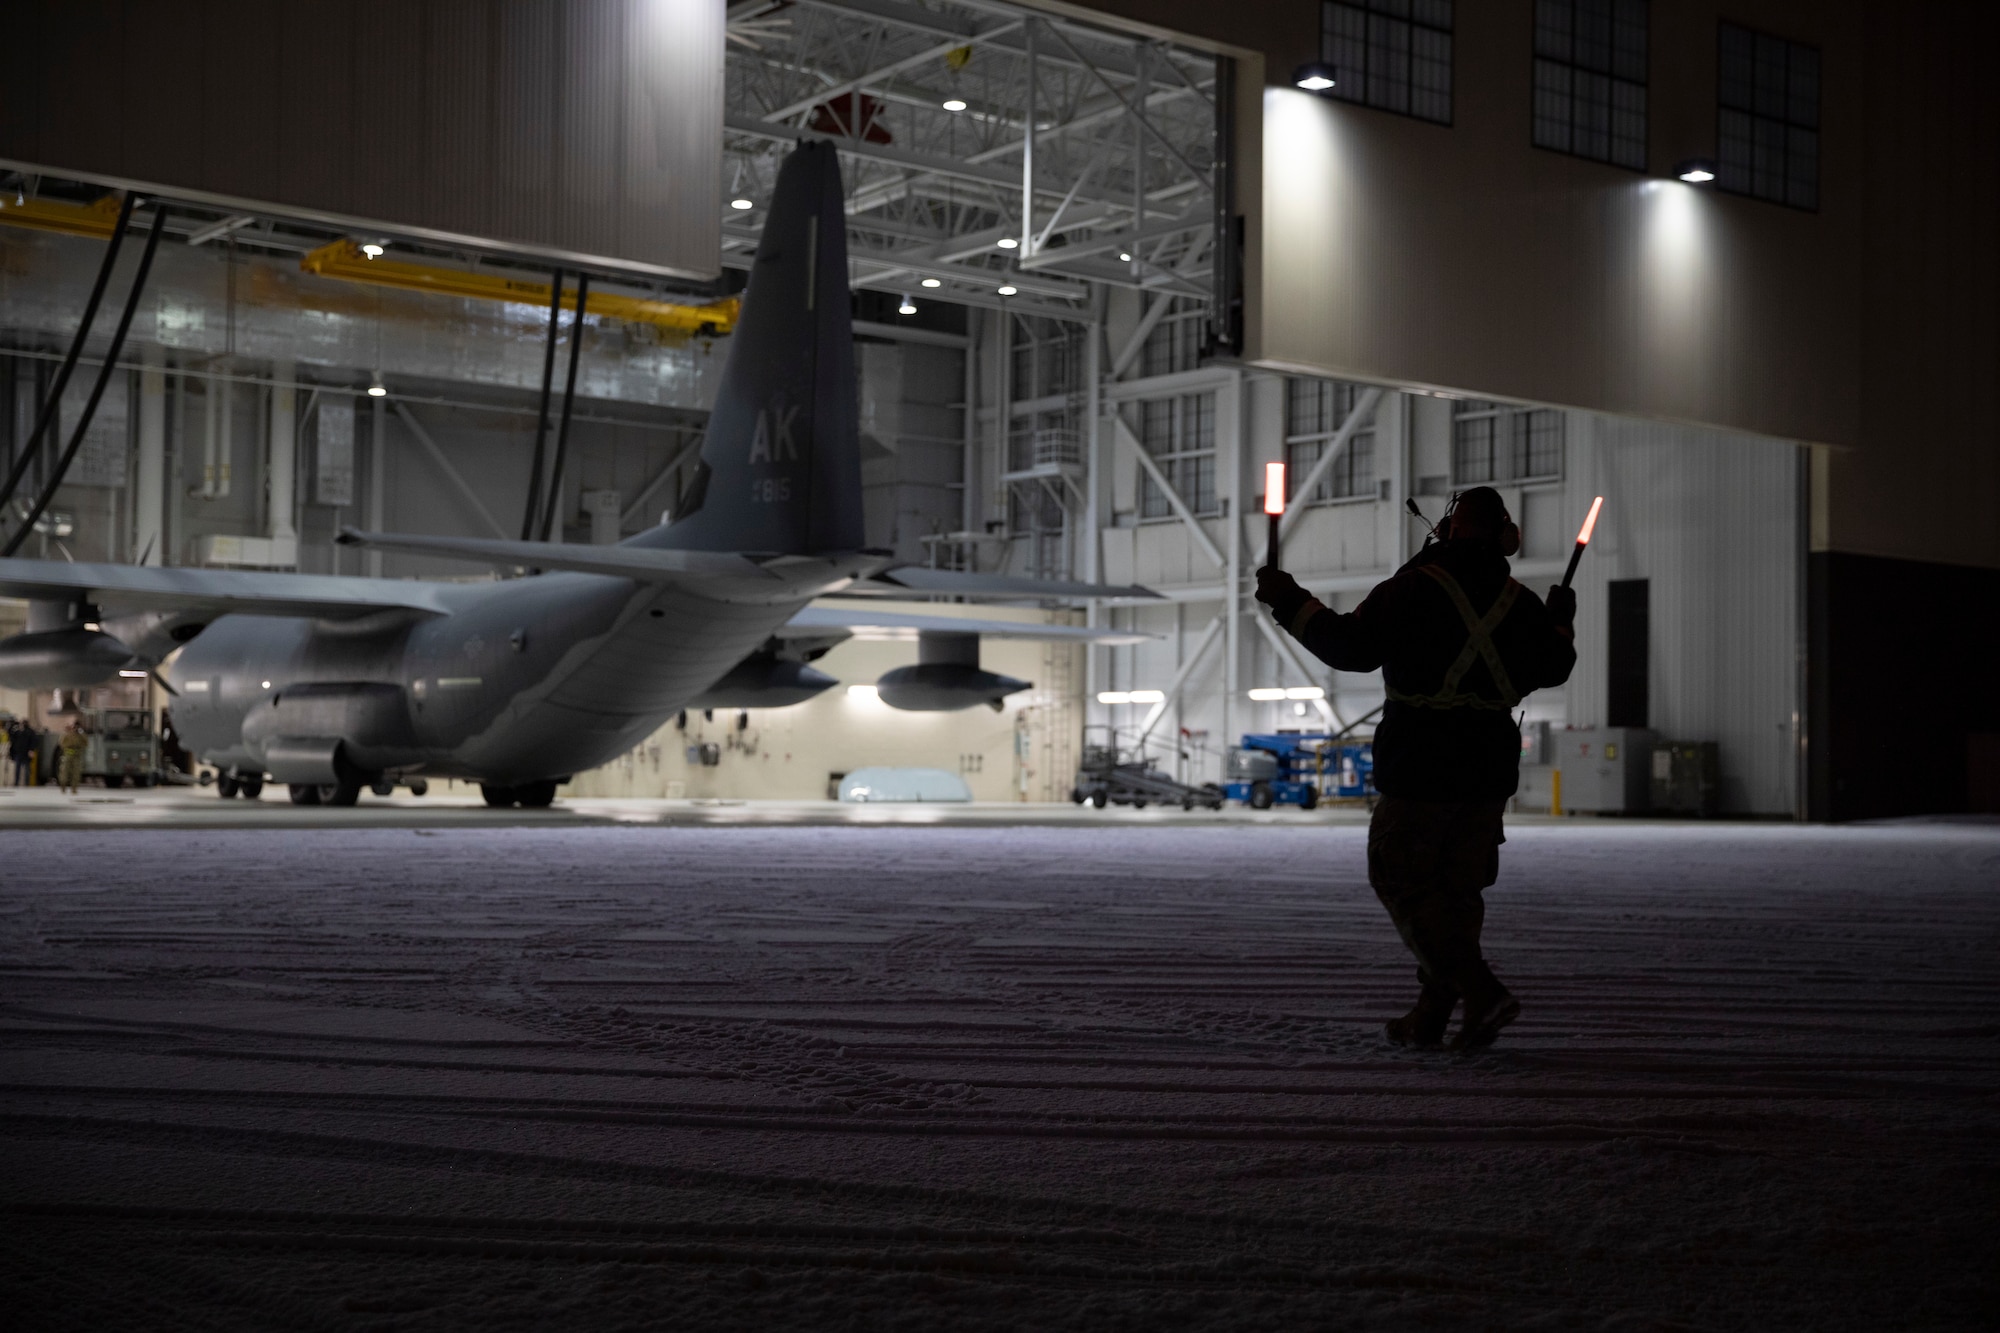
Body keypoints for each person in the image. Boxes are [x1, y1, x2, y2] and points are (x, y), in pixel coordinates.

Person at [1255, 486, 1577, 1051]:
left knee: (1400, 878)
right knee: (1458, 894)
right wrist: (1559, 624)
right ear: (1505, 539)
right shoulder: (1521, 602)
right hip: (1486, 775)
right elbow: (1554, 667)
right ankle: (1431, 1015)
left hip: (1421, 764)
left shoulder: (1411, 590)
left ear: (1448, 529)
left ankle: (1480, 992)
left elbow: (1350, 647)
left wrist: (1290, 601)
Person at [56, 718, 89, 795]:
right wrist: (68, 732)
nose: (76, 728)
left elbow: (86, 743)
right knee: (64, 772)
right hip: (67, 755)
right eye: (75, 726)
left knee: (76, 773)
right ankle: (63, 786)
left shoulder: (80, 736)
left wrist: (81, 733)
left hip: (77, 756)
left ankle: (74, 788)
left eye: (77, 727)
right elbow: (61, 742)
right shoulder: (68, 734)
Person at [8, 718, 36, 787]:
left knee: (26, 769)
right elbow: (11, 737)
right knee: (19, 769)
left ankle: (26, 783)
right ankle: (18, 782)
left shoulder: (29, 732)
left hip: (25, 753)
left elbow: (33, 742)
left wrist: (31, 750)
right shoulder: (19, 732)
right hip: (19, 753)